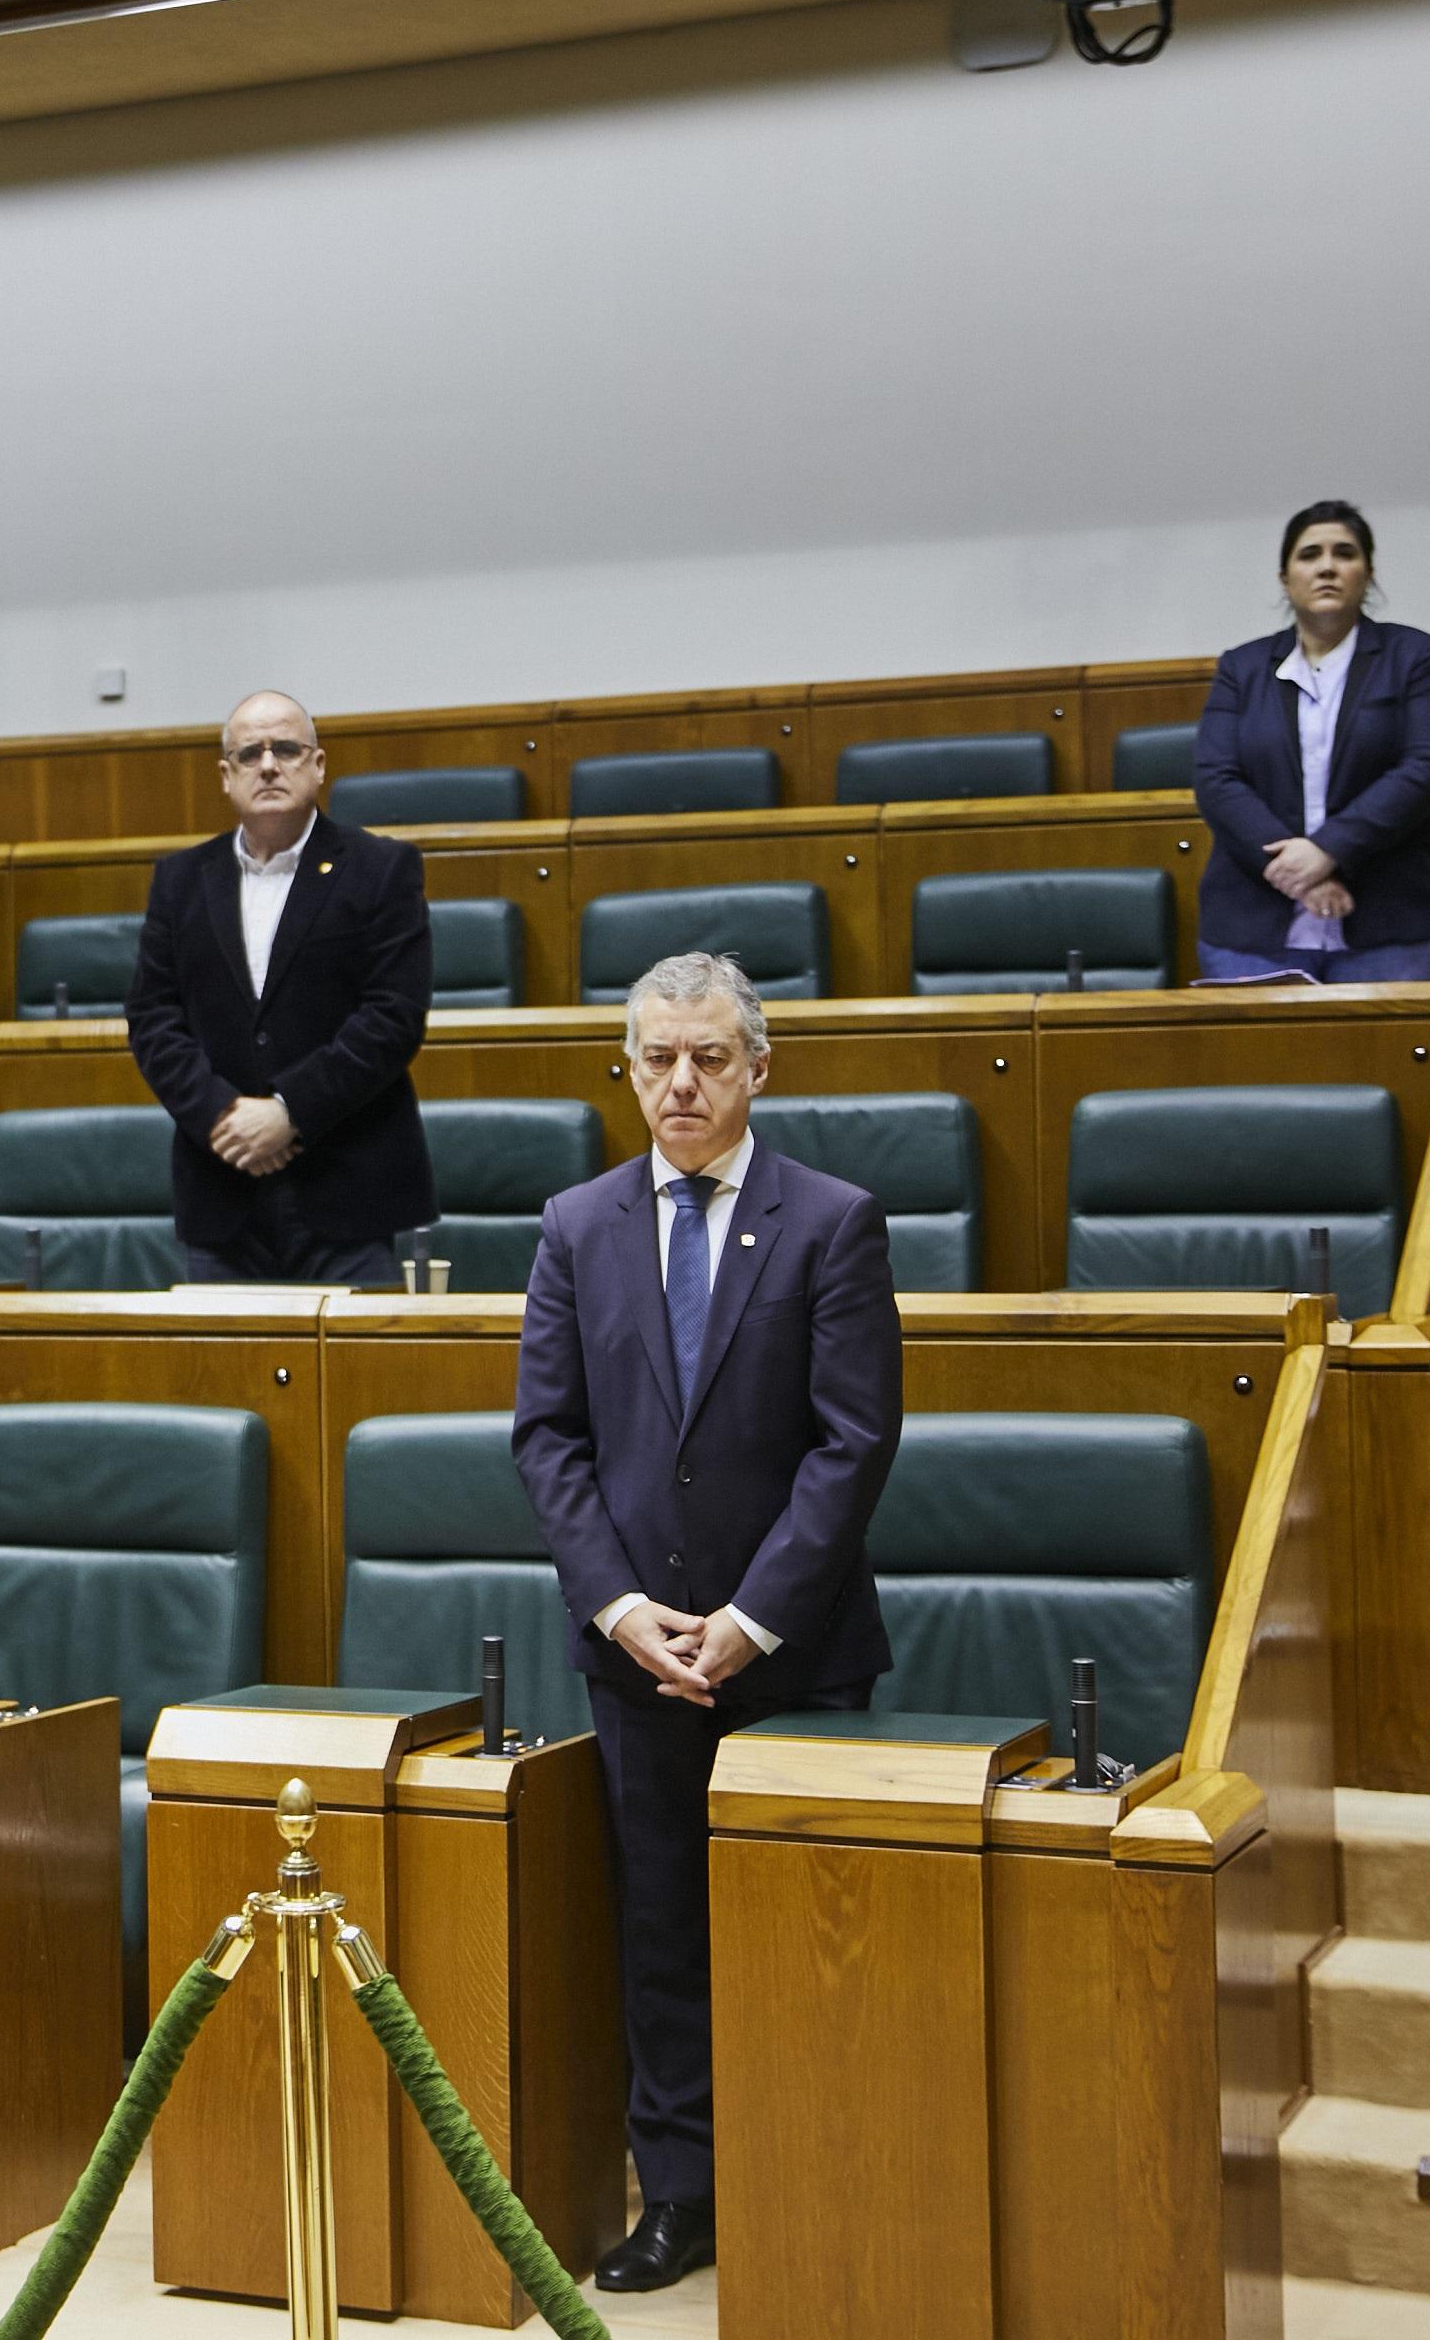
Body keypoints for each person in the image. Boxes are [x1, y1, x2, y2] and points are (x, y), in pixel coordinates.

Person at [511, 951, 901, 2293]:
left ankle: (815, 2182)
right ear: (627, 1068)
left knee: (807, 1937)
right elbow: (549, 1441)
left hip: (790, 1652)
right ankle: (681, 2196)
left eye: (709, 1059)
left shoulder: (832, 1221)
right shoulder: (576, 1224)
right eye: (658, 1058)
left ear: (758, 1069)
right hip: (637, 1657)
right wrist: (622, 1609)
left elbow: (851, 1445)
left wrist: (751, 1619)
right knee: (663, 1932)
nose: (682, 1082)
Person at [123, 690, 436, 1285]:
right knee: (222, 1378)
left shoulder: (381, 869)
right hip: (222, 1190)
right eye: (249, 754)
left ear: (317, 765)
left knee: (357, 1377)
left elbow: (391, 1017)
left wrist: (290, 1112)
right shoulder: (180, 880)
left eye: (286, 749)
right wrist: (224, 1114)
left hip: (350, 1192)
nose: (268, 765)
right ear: (226, 775)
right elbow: (153, 1017)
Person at [1190, 500, 1430, 982]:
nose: (1326, 567)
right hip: (1254, 931)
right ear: (1285, 577)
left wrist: (1328, 851)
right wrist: (1298, 874)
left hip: (1395, 926)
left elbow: (1427, 766)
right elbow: (1216, 777)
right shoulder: (1241, 668)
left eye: (1344, 553)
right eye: (1309, 555)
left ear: (1368, 573)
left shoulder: (1416, 657)